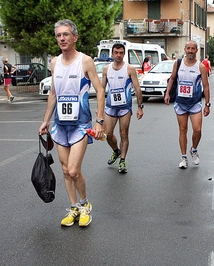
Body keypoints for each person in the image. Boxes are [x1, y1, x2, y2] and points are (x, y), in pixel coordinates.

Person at [38, 19, 106, 227]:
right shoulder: (54, 63)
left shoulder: (85, 61)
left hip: (81, 125)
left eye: (66, 34)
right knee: (66, 169)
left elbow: (100, 90)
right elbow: (54, 93)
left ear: (75, 37)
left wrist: (99, 121)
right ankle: (74, 208)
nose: (62, 38)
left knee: (74, 170)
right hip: (60, 125)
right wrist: (45, 121)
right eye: (58, 35)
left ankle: (85, 205)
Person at [164, 40, 211, 169]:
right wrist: (167, 93)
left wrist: (207, 104)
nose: (190, 51)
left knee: (197, 130)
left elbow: (206, 86)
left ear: (196, 50)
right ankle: (183, 157)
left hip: (195, 103)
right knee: (183, 130)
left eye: (193, 48)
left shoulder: (201, 66)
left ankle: (194, 149)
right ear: (185, 49)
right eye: (188, 48)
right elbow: (172, 79)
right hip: (180, 103)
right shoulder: (178, 63)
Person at [101, 43, 144, 173]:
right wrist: (99, 107)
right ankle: (116, 151)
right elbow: (101, 89)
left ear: (124, 54)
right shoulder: (106, 69)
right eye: (116, 52)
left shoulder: (129, 69)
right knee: (107, 134)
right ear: (112, 53)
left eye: (121, 53)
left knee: (123, 134)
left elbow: (137, 88)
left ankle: (123, 161)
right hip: (110, 106)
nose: (118, 55)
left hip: (125, 107)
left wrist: (140, 107)